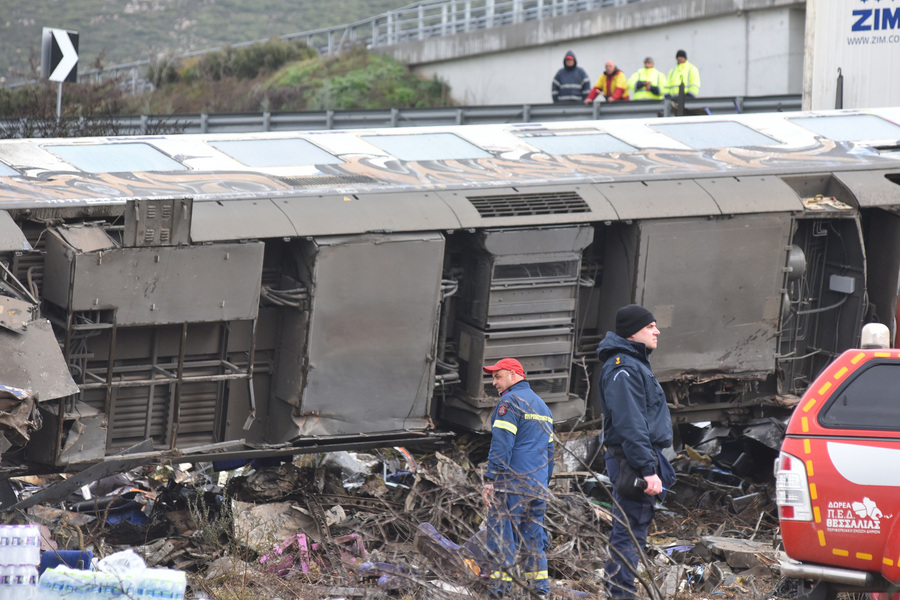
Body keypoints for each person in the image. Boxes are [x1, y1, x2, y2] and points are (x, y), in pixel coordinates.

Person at [596, 305, 676, 600]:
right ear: (633, 332)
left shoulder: (633, 364)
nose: (657, 331)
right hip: (632, 459)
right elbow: (630, 424)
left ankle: (620, 590)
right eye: (650, 327)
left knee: (632, 526)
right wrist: (647, 469)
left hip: (637, 456)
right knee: (630, 528)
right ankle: (620, 593)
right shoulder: (624, 367)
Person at [481, 358, 555, 597]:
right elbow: (550, 454)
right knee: (534, 540)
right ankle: (540, 592)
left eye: (498, 376)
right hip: (537, 486)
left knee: (503, 537)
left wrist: (491, 479)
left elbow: (502, 445)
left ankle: (501, 592)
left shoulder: (510, 402)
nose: (494, 382)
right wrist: (543, 482)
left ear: (513, 375)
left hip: (511, 484)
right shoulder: (543, 408)